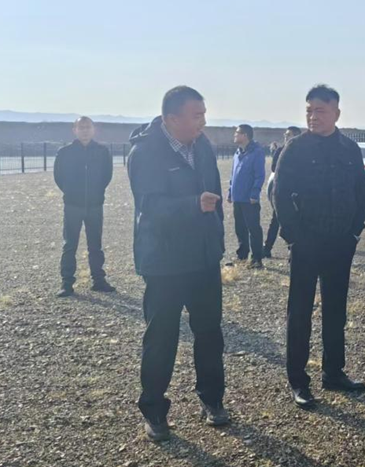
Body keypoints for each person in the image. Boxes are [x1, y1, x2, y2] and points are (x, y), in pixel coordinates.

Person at [127, 86, 229, 441]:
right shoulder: (145, 153)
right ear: (171, 119)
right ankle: (154, 411)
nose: (203, 122)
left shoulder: (202, 147)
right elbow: (150, 207)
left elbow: (215, 198)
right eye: (196, 115)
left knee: (210, 332)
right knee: (161, 337)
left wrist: (217, 239)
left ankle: (212, 400)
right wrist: (193, 204)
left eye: (204, 114)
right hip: (165, 262)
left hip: (203, 258)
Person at [273, 85, 365, 409]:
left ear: (336, 113)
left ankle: (334, 372)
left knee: (335, 309)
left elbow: (360, 193)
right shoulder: (295, 149)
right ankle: (298, 381)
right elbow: (280, 195)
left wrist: (354, 232)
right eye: (309, 111)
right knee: (300, 312)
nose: (313, 117)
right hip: (306, 242)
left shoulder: (349, 149)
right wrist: (294, 236)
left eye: (320, 111)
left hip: (340, 242)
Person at [53, 116, 115, 297]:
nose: (85, 131)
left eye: (88, 127)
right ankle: (66, 283)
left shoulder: (102, 152)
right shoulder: (65, 152)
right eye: (81, 127)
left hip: (95, 205)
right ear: (75, 130)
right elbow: (59, 176)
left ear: (93, 129)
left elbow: (107, 175)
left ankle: (99, 280)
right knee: (70, 245)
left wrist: (97, 192)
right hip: (72, 205)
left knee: (95, 244)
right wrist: (70, 192)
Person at [229, 124, 266, 267]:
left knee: (253, 228)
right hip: (237, 197)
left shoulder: (256, 152)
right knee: (240, 227)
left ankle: (257, 258)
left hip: (249, 199)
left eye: (237, 133)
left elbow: (259, 175)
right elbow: (233, 174)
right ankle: (242, 254)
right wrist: (230, 192)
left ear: (245, 135)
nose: (235, 135)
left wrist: (254, 193)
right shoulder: (237, 153)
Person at [264, 126, 302, 258]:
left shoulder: (303, 151)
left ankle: (293, 249)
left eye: (289, 135)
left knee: (296, 221)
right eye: (285, 135)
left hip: (298, 192)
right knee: (276, 219)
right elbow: (274, 167)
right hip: (282, 191)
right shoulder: (280, 150)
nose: (286, 137)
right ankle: (267, 247)